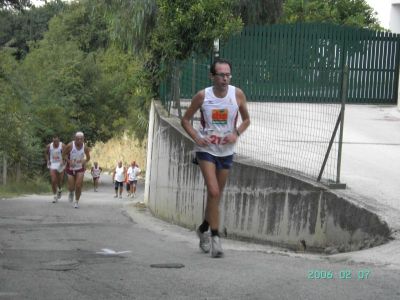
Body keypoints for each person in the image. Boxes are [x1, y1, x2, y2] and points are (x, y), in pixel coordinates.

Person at [181, 58, 250, 258]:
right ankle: (216, 238)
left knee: (215, 196)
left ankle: (202, 228)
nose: (225, 79)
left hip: (227, 151)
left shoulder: (237, 94)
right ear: (212, 76)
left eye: (228, 74)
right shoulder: (203, 96)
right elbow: (185, 120)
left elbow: (246, 120)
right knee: (213, 190)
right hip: (207, 150)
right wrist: (196, 137)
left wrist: (236, 134)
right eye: (221, 75)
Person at [62, 131, 91, 209]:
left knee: (78, 185)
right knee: (71, 186)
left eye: (81, 139)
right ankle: (71, 192)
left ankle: (76, 201)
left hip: (80, 168)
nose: (79, 141)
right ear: (75, 139)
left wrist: (84, 161)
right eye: (78, 139)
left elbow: (88, 158)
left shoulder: (85, 147)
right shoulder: (70, 145)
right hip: (70, 168)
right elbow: (63, 155)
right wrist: (69, 161)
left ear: (83, 139)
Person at [45, 135, 65, 203]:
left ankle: (59, 189)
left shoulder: (62, 145)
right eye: (54, 141)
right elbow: (46, 153)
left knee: (60, 180)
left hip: (60, 164)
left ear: (59, 140)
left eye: (56, 141)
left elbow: (67, 154)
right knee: (53, 180)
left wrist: (63, 160)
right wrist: (48, 160)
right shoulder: (49, 146)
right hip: (53, 164)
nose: (55, 143)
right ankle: (55, 196)